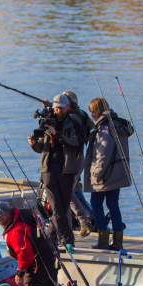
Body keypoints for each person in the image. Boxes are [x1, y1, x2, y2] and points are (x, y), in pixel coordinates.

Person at [28, 93, 79, 247]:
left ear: (67, 107)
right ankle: (69, 241)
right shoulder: (46, 122)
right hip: (48, 170)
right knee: (56, 207)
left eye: (61, 108)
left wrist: (57, 134)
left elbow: (75, 144)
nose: (58, 110)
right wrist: (33, 144)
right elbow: (41, 148)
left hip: (66, 170)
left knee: (63, 208)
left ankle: (49, 239)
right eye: (56, 108)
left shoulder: (72, 123)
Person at [83, 97, 133, 250]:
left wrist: (96, 174)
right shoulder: (117, 125)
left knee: (96, 204)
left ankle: (103, 241)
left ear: (98, 111)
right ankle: (117, 242)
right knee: (113, 205)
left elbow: (103, 155)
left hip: (105, 175)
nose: (91, 114)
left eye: (92, 111)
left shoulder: (105, 128)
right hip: (116, 174)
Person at [0, 201, 58, 286]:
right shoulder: (23, 213)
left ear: (4, 214)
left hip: (39, 264)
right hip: (52, 255)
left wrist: (19, 274)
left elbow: (25, 254)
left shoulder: (15, 231)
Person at [63, 90, 95, 238]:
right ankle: (70, 227)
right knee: (68, 193)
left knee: (67, 193)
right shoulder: (82, 114)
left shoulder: (70, 117)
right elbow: (91, 127)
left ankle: (83, 221)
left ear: (68, 104)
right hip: (80, 158)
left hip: (72, 159)